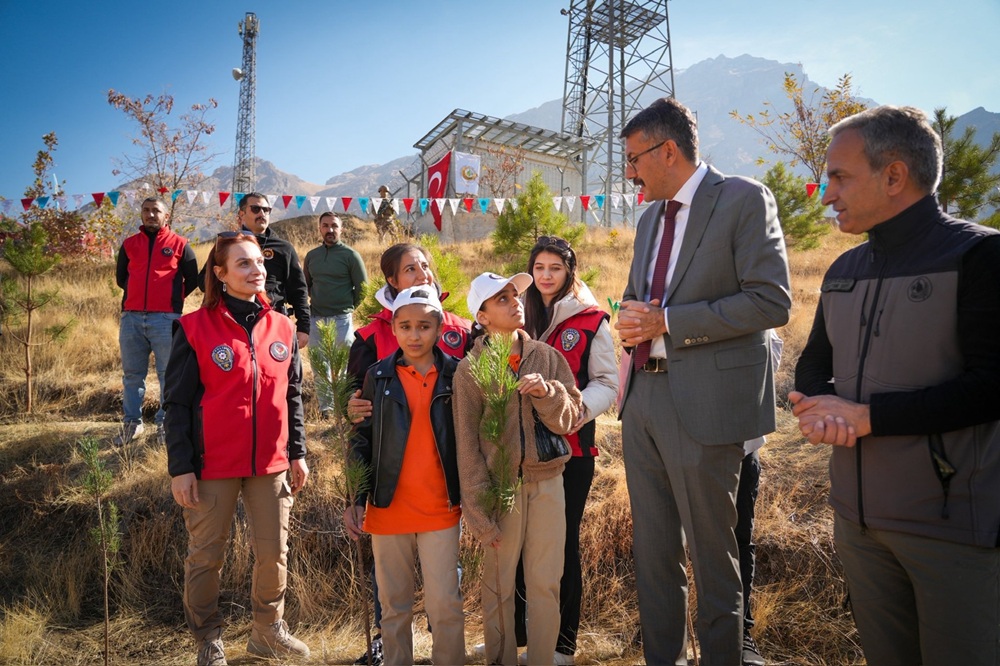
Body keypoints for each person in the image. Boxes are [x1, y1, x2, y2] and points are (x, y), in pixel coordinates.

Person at [790, 105, 1000, 666]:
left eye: (839, 177)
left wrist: (866, 417)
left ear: (894, 176)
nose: (827, 194)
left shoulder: (981, 255)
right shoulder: (842, 270)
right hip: (856, 524)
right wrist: (812, 405)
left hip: (951, 529)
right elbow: (812, 364)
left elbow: (991, 386)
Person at [615, 97, 791, 665]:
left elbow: (770, 300)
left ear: (668, 151)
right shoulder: (647, 219)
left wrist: (668, 322)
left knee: (716, 558)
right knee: (654, 555)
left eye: (634, 158)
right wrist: (631, 316)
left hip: (709, 406)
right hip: (643, 401)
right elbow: (641, 294)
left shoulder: (743, 199)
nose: (629, 172)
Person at [164, 230, 310, 666]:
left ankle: (268, 632)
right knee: (207, 557)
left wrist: (298, 452)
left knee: (273, 554)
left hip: (272, 463)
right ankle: (207, 639)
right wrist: (181, 467)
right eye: (243, 263)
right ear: (220, 273)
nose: (256, 270)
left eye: (259, 262)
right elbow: (176, 402)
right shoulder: (193, 327)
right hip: (211, 466)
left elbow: (293, 395)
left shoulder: (283, 325)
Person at [345, 242, 473, 665]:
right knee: (394, 609)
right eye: (405, 326)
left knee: (445, 606)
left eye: (424, 326)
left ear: (439, 328)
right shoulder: (376, 376)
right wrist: (356, 498)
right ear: (393, 326)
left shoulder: (456, 375)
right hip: (386, 509)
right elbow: (360, 441)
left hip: (440, 507)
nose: (414, 335)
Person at [454, 271, 583, 666]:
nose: (515, 303)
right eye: (503, 299)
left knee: (546, 583)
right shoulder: (468, 371)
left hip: (549, 485)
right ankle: (501, 660)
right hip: (498, 491)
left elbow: (571, 419)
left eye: (515, 295)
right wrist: (478, 513)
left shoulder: (547, 357)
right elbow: (467, 447)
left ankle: (542, 660)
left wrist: (548, 393)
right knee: (498, 587)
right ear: (482, 315)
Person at [516, 235, 619, 665]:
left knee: (562, 546)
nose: (545, 275)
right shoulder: (517, 313)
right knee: (520, 545)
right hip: (520, 450)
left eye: (554, 268)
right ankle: (522, 638)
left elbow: (607, 383)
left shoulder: (592, 320)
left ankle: (562, 643)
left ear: (569, 271)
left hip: (571, 449)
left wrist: (578, 410)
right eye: (539, 267)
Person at [115, 196, 198, 446]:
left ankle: (165, 425)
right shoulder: (129, 244)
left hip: (166, 319)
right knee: (132, 375)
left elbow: (192, 279)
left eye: (156, 211)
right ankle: (132, 424)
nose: (151, 215)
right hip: (131, 319)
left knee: (167, 374)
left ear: (166, 216)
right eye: (146, 210)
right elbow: (122, 278)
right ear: (141, 214)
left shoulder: (180, 244)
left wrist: (172, 299)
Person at [201, 193, 311, 350]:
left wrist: (303, 327)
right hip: (231, 323)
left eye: (266, 210)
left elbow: (299, 290)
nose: (262, 214)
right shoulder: (227, 245)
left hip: (273, 323)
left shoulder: (283, 248)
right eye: (256, 209)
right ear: (241, 214)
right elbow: (205, 283)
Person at [736, 329, 783, 666]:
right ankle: (668, 627)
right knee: (673, 537)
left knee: (739, 538)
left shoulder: (752, 304)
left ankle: (740, 634)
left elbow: (772, 354)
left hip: (740, 442)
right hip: (683, 443)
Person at [303, 212, 367, 415]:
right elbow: (307, 285)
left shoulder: (351, 256)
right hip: (316, 318)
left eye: (334, 226)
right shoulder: (312, 256)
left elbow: (362, 288)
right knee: (319, 366)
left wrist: (348, 307)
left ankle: (345, 406)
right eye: (325, 226)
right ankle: (327, 409)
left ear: (341, 229)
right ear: (320, 228)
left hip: (342, 319)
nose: (330, 230)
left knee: (344, 366)